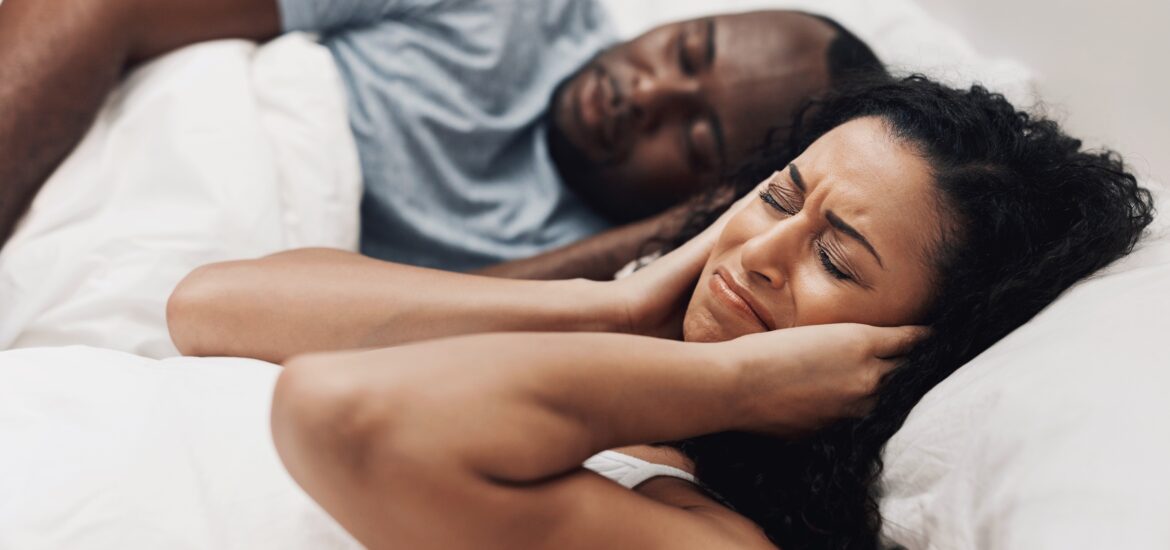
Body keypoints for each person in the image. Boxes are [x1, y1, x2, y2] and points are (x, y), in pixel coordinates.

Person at [166, 76, 1156, 548]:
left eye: (836, 259)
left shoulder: (715, 533)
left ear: (900, 347)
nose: (760, 253)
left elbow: (344, 416)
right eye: (776, 196)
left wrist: (735, 378)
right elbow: (210, 307)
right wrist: (616, 303)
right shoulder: (624, 349)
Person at [0, 0, 883, 279]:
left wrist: (689, 231)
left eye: (693, 138)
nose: (645, 92)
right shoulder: (499, 10)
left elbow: (406, 336)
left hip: (208, 272)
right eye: (685, 51)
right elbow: (109, 6)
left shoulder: (597, 262)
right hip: (100, 129)